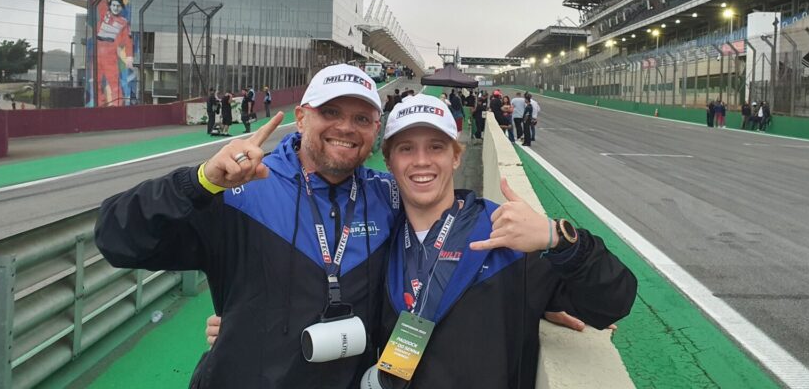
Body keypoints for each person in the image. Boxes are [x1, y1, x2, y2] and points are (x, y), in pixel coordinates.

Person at [210, 94, 637, 388]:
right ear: (390, 160)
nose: (421, 162)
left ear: (456, 156)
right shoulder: (377, 239)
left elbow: (610, 302)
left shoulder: (506, 234)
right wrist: (245, 323)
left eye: (435, 147)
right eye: (406, 149)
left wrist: (557, 241)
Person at [95, 65, 400, 388]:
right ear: (301, 117)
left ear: (375, 129)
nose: (346, 127)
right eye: (331, 112)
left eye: (362, 119)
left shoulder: (388, 196)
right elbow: (116, 237)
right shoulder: (239, 187)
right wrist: (198, 182)